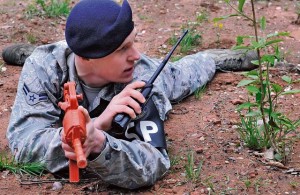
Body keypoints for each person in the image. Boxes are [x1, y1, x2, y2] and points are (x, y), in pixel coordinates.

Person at [4, 0, 258, 190]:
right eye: (122, 48)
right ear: (86, 56)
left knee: (182, 75)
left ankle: (209, 59)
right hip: (66, 60)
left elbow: (154, 162)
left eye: (133, 42)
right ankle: (30, 51)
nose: (135, 54)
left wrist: (99, 145)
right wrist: (100, 124)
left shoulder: (141, 80)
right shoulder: (44, 66)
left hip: (159, 74)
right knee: (40, 57)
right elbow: (23, 145)